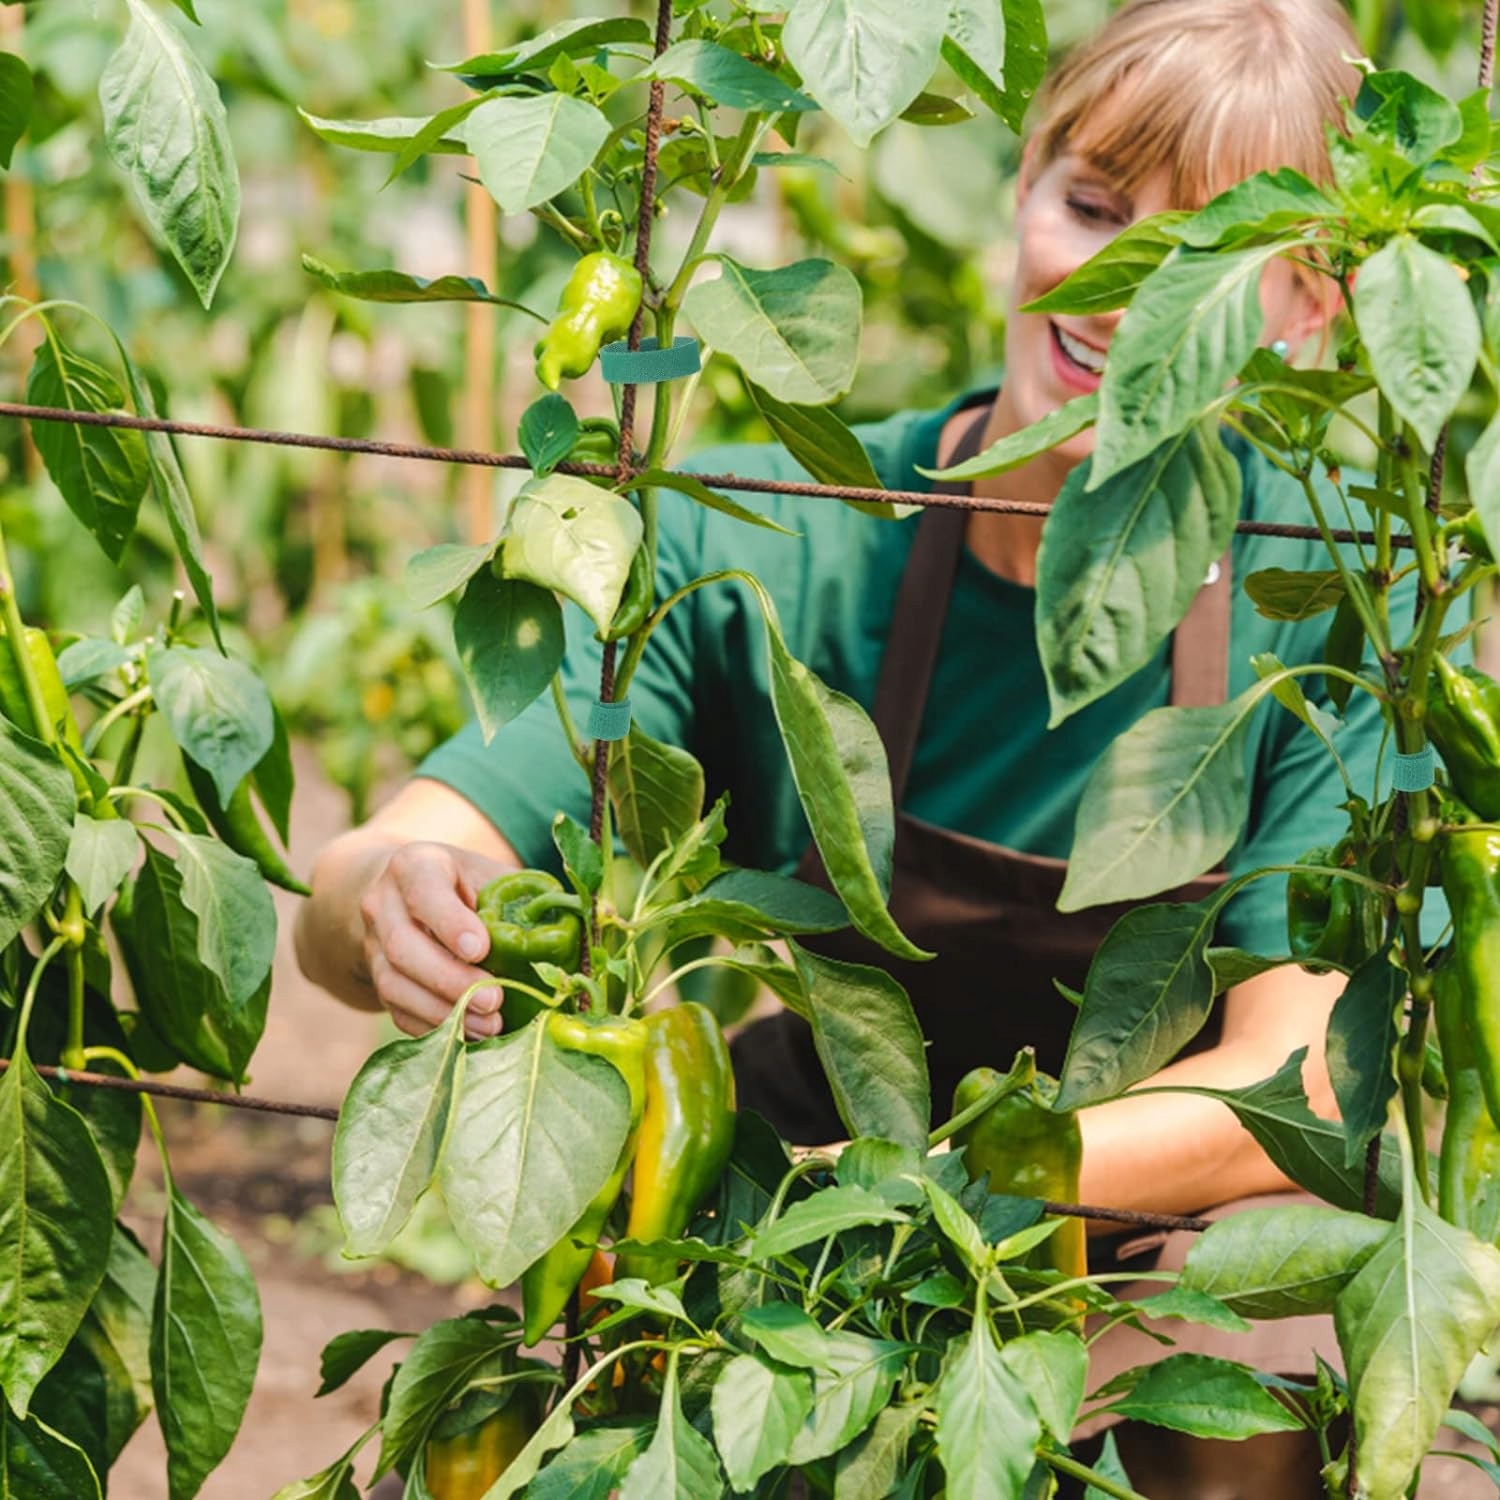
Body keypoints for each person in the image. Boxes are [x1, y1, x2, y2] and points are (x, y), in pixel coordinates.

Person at [298, 1, 1373, 1492]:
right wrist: (391, 905)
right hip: (795, 1184)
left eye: (1209, 261)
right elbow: (376, 873)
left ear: (1308, 313)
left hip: (1141, 1247)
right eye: (1095, 208)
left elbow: (1296, 1089)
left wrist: (945, 1193)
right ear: (1020, 189)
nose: (1121, 289)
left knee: (1256, 1399)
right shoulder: (771, 536)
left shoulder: (1320, 606)